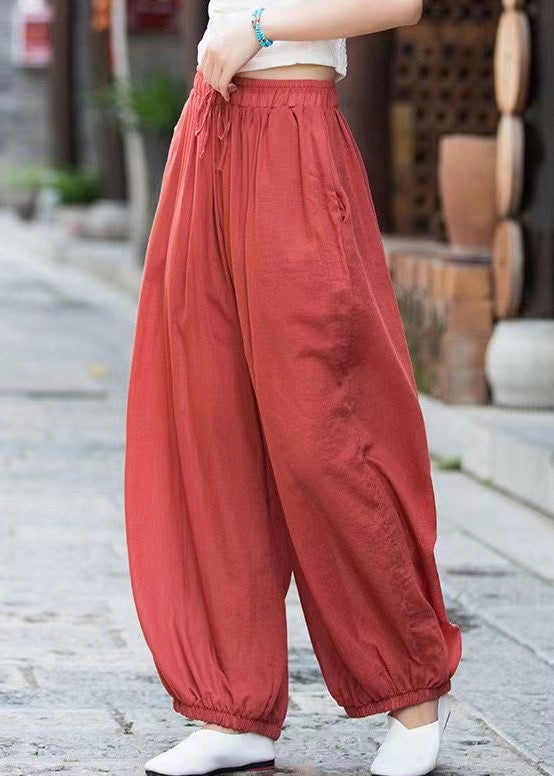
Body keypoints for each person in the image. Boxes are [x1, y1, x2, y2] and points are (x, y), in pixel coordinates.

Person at [123, 1, 463, 775]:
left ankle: (413, 691)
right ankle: (232, 706)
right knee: (214, 423)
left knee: (321, 432)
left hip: (295, 134)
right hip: (212, 127)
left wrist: (260, 27)